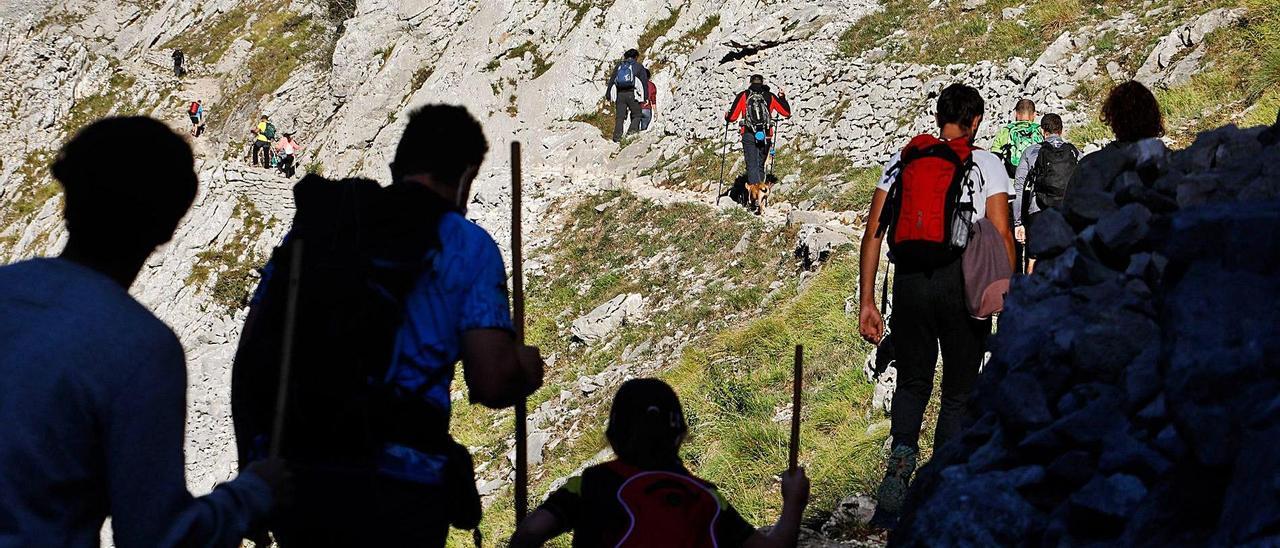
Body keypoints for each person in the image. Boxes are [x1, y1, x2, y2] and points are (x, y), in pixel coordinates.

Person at [233, 104, 544, 546]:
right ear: (465, 178)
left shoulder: (323, 231)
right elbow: (492, 382)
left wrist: (252, 469)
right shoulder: (465, 244)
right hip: (402, 487)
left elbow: (254, 353)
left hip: (300, 480)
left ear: (396, 166)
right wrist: (527, 368)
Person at [0, 117, 288, 547]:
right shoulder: (138, 346)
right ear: (170, 226)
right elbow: (157, 534)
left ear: (69, 194)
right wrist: (255, 492)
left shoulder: (8, 288)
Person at [857, 83, 1015, 529]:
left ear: (938, 118)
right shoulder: (987, 164)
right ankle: (941, 486)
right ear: (977, 121)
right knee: (959, 391)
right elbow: (1001, 232)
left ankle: (897, 474)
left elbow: (873, 233)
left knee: (911, 382)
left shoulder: (902, 161)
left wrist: (868, 300)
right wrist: (1010, 294)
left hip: (909, 283)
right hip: (961, 283)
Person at [510, 378, 810, 548]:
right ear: (680, 435)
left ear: (614, 436)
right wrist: (794, 501)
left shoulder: (589, 484)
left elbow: (531, 532)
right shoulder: (706, 497)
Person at [1013, 113, 1079, 272]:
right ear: (1061, 131)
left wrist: (1018, 222)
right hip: (1065, 215)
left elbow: (1020, 186)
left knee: (1033, 260)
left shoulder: (1031, 152)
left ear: (1042, 131)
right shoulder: (1074, 152)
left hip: (1037, 212)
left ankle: (1030, 294)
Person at [724, 74, 791, 214]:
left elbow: (732, 117)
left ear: (750, 83)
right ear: (762, 83)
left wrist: (727, 116)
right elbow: (786, 112)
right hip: (766, 136)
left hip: (748, 134)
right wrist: (782, 97)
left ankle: (754, 200)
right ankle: (762, 197)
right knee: (760, 165)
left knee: (752, 165)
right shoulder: (770, 96)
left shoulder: (744, 95)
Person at [604, 49, 649, 142]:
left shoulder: (619, 66)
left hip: (620, 94)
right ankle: (630, 134)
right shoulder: (639, 67)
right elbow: (644, 83)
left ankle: (617, 138)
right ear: (636, 57)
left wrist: (608, 95)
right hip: (632, 94)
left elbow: (612, 80)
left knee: (620, 117)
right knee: (637, 114)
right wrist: (645, 97)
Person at [991, 98, 1043, 178]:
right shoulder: (1040, 130)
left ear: (1015, 114)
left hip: (1012, 178)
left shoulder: (1006, 131)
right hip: (1033, 180)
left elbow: (995, 158)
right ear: (1034, 114)